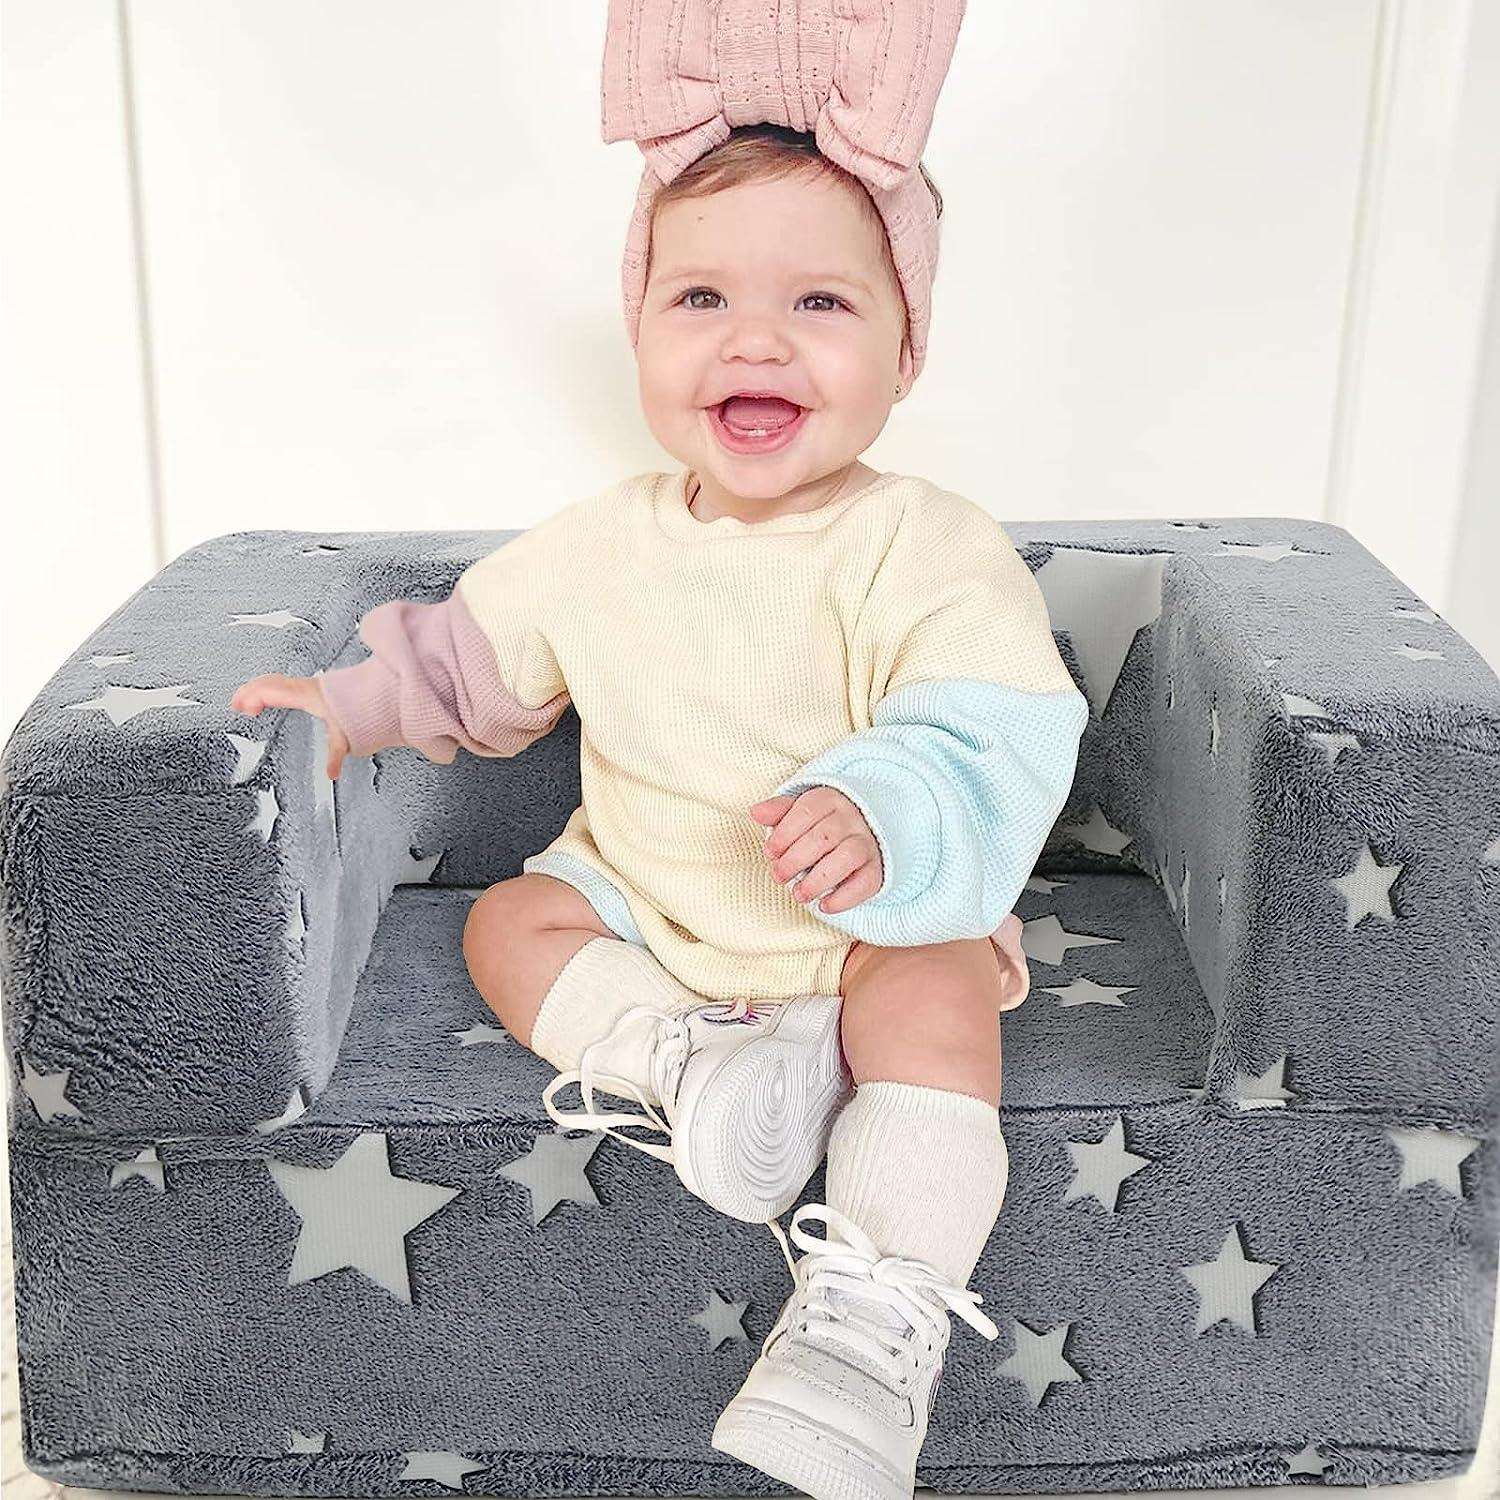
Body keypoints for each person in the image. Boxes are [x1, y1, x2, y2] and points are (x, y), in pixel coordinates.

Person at [232, 5, 1088, 1496]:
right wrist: (350, 712)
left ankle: (868, 1323)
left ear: (906, 352)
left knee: (946, 995)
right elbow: (463, 662)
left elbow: (998, 719)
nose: (753, 336)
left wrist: (886, 809)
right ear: (639, 332)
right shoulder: (598, 547)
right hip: (650, 905)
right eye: (699, 297)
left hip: (861, 924)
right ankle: (689, 1066)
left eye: (821, 303)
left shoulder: (923, 545)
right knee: (514, 923)